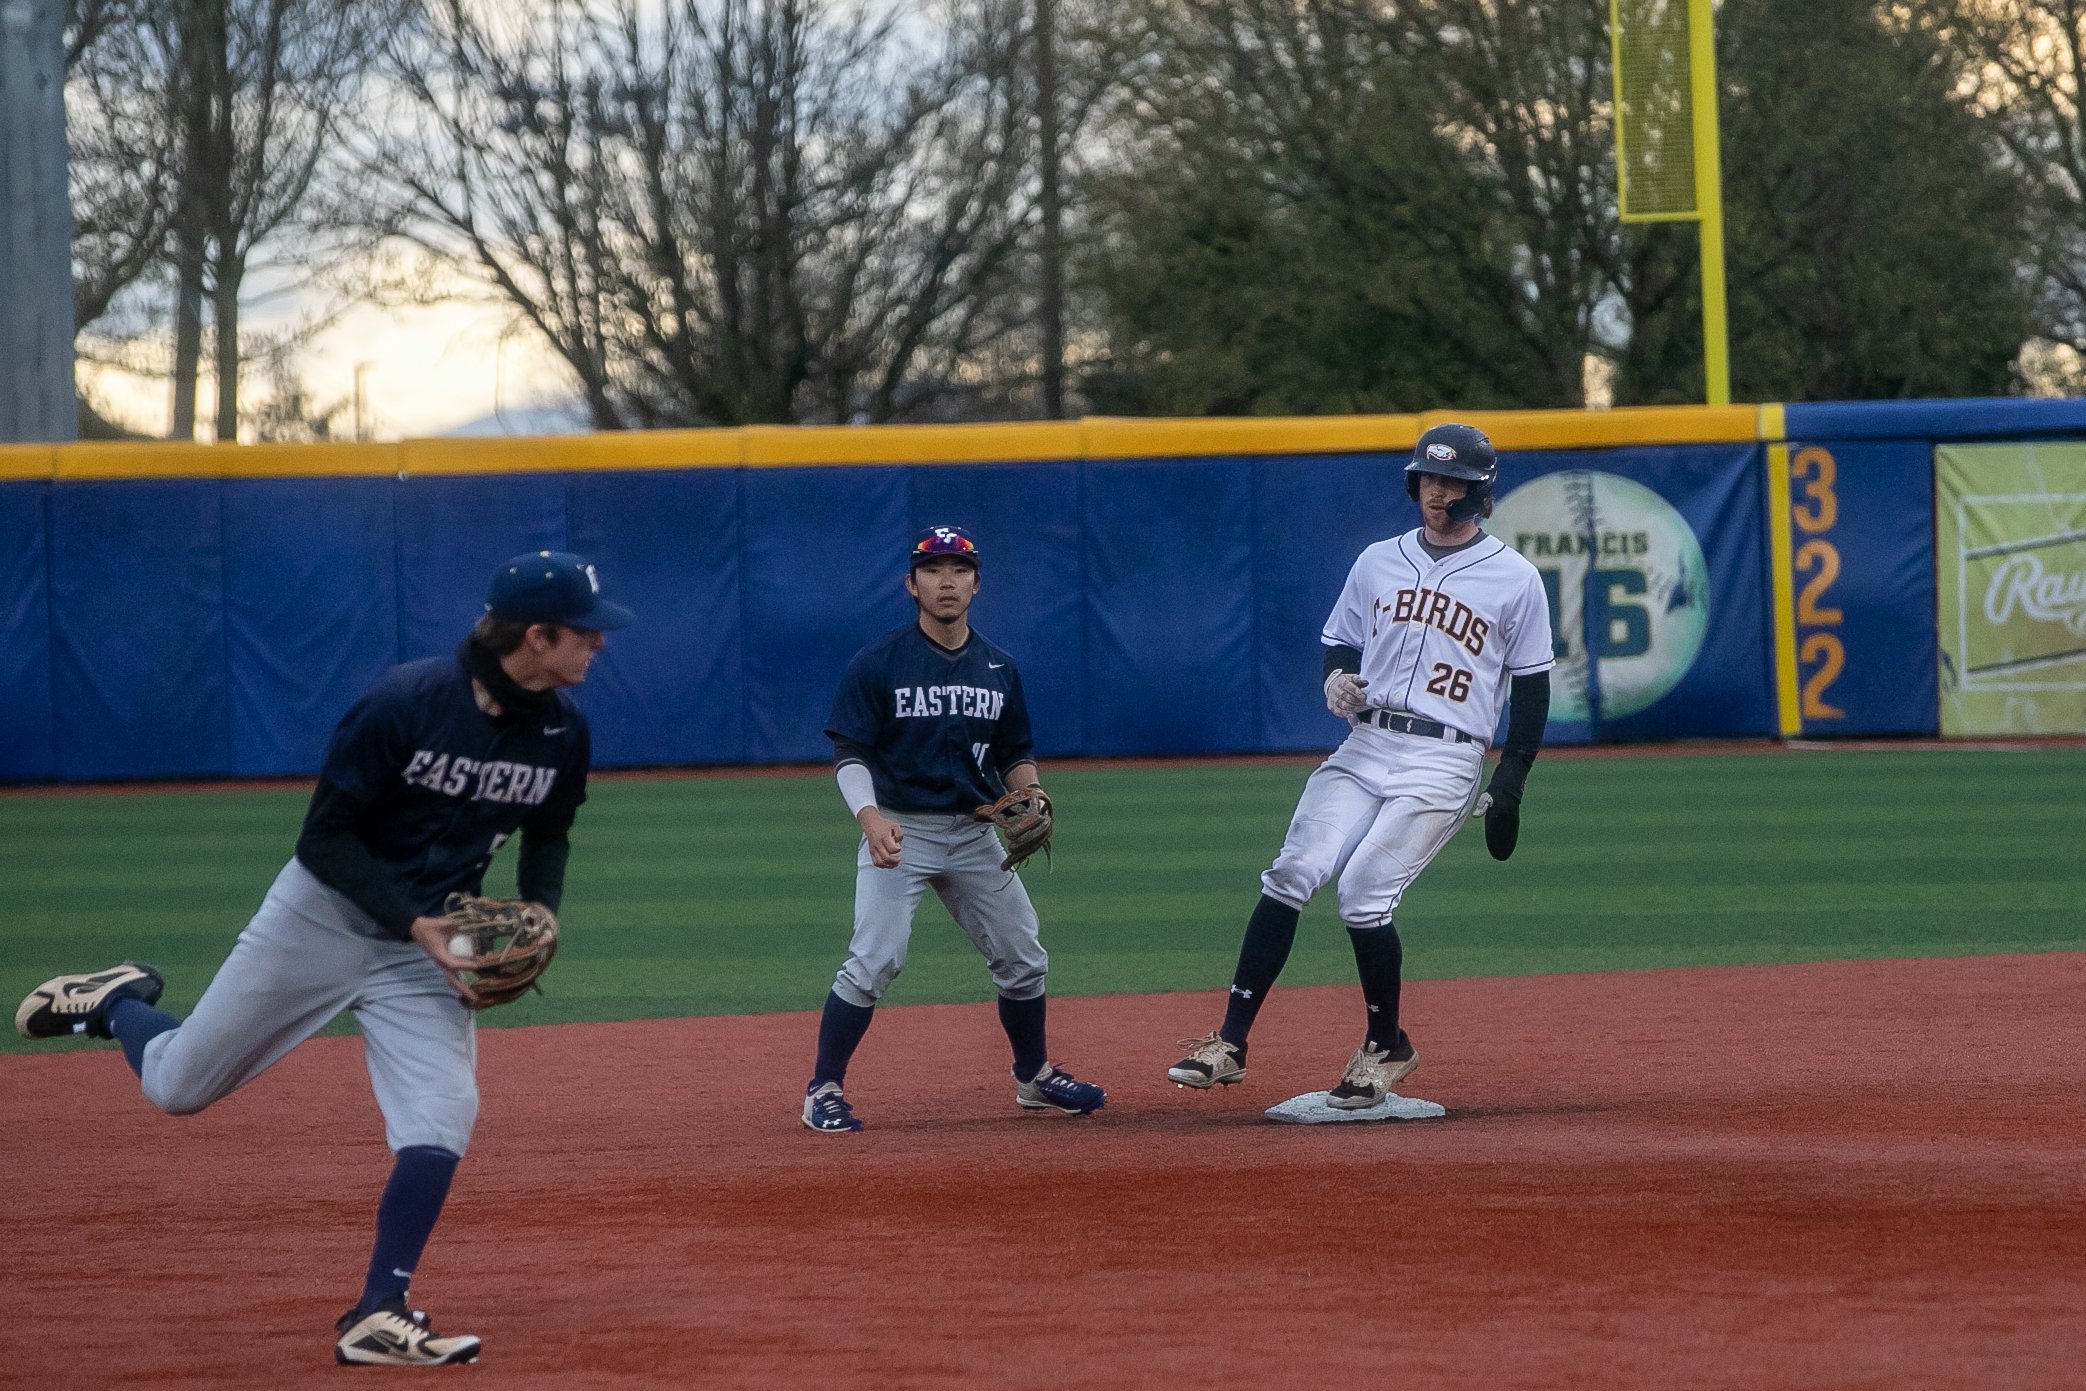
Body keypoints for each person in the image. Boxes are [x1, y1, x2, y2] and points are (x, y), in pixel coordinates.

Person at [14, 551, 632, 1366]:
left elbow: (549, 831)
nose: (599, 645)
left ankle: (380, 1310)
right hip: (324, 918)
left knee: (443, 1113)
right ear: (536, 633)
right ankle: (118, 1001)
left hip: (430, 945)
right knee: (176, 1087)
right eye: (585, 632)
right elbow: (324, 839)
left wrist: (539, 914)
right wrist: (416, 923)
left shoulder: (562, 731)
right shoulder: (403, 704)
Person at [1168, 424, 1554, 1107]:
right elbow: (1340, 642)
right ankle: (1229, 1041)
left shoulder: (1515, 578)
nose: (1439, 492)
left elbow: (1531, 688)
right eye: (1431, 479)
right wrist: (1337, 681)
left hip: (1444, 756)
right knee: (1293, 869)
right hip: (1368, 742)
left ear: (1480, 491)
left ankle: (1385, 1047)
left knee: (1363, 891)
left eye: (1454, 481)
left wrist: (1511, 782)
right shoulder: (1378, 559)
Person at [801, 525, 1107, 1132]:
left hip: (973, 834)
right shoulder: (879, 662)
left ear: (977, 584)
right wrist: (869, 817)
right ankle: (822, 1090)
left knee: (1023, 957)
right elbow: (851, 754)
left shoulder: (999, 666)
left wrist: (1033, 790)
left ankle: (1034, 1077)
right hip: (900, 831)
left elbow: (1014, 751)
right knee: (874, 961)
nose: (947, 580)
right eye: (934, 570)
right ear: (911, 584)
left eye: (959, 570)